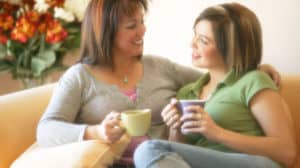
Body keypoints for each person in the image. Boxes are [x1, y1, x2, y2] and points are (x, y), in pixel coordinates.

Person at [36, 0, 282, 167]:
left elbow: (217, 79)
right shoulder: (79, 77)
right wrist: (96, 132)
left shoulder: (161, 67)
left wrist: (255, 68)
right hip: (121, 163)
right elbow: (46, 129)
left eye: (142, 22)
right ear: (105, 33)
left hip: (166, 161)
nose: (142, 31)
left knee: (152, 151)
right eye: (132, 26)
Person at [134, 2, 297, 168]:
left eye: (203, 41)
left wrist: (218, 134)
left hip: (255, 163)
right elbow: (177, 157)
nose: (192, 44)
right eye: (195, 36)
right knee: (149, 152)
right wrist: (175, 128)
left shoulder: (253, 81)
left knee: (148, 149)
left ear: (231, 48)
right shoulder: (188, 93)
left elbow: (286, 152)